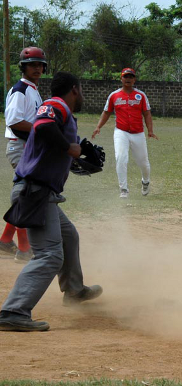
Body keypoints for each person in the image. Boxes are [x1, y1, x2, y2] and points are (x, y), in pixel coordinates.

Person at [0, 72, 103, 332]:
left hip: (43, 193)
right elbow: (43, 127)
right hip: (35, 192)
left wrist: (76, 156)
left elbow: (51, 140)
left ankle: (74, 291)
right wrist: (70, 149)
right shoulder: (56, 104)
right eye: (81, 89)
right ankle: (13, 310)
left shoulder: (61, 112)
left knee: (69, 237)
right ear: (74, 89)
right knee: (49, 255)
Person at [1, 47, 47, 263]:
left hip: (25, 146)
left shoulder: (33, 89)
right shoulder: (21, 90)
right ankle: (24, 250)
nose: (37, 68)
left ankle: (5, 241)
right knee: (26, 196)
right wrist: (42, 133)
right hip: (19, 146)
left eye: (40, 65)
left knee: (25, 195)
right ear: (23, 66)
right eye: (32, 64)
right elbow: (14, 121)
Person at [92, 67, 158, 198]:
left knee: (143, 162)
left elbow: (147, 114)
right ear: (121, 79)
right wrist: (98, 126)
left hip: (138, 133)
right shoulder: (114, 95)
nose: (128, 79)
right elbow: (106, 112)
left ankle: (145, 181)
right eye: (125, 77)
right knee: (121, 158)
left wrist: (150, 130)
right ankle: (124, 190)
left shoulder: (141, 96)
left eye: (130, 77)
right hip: (121, 132)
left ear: (134, 79)